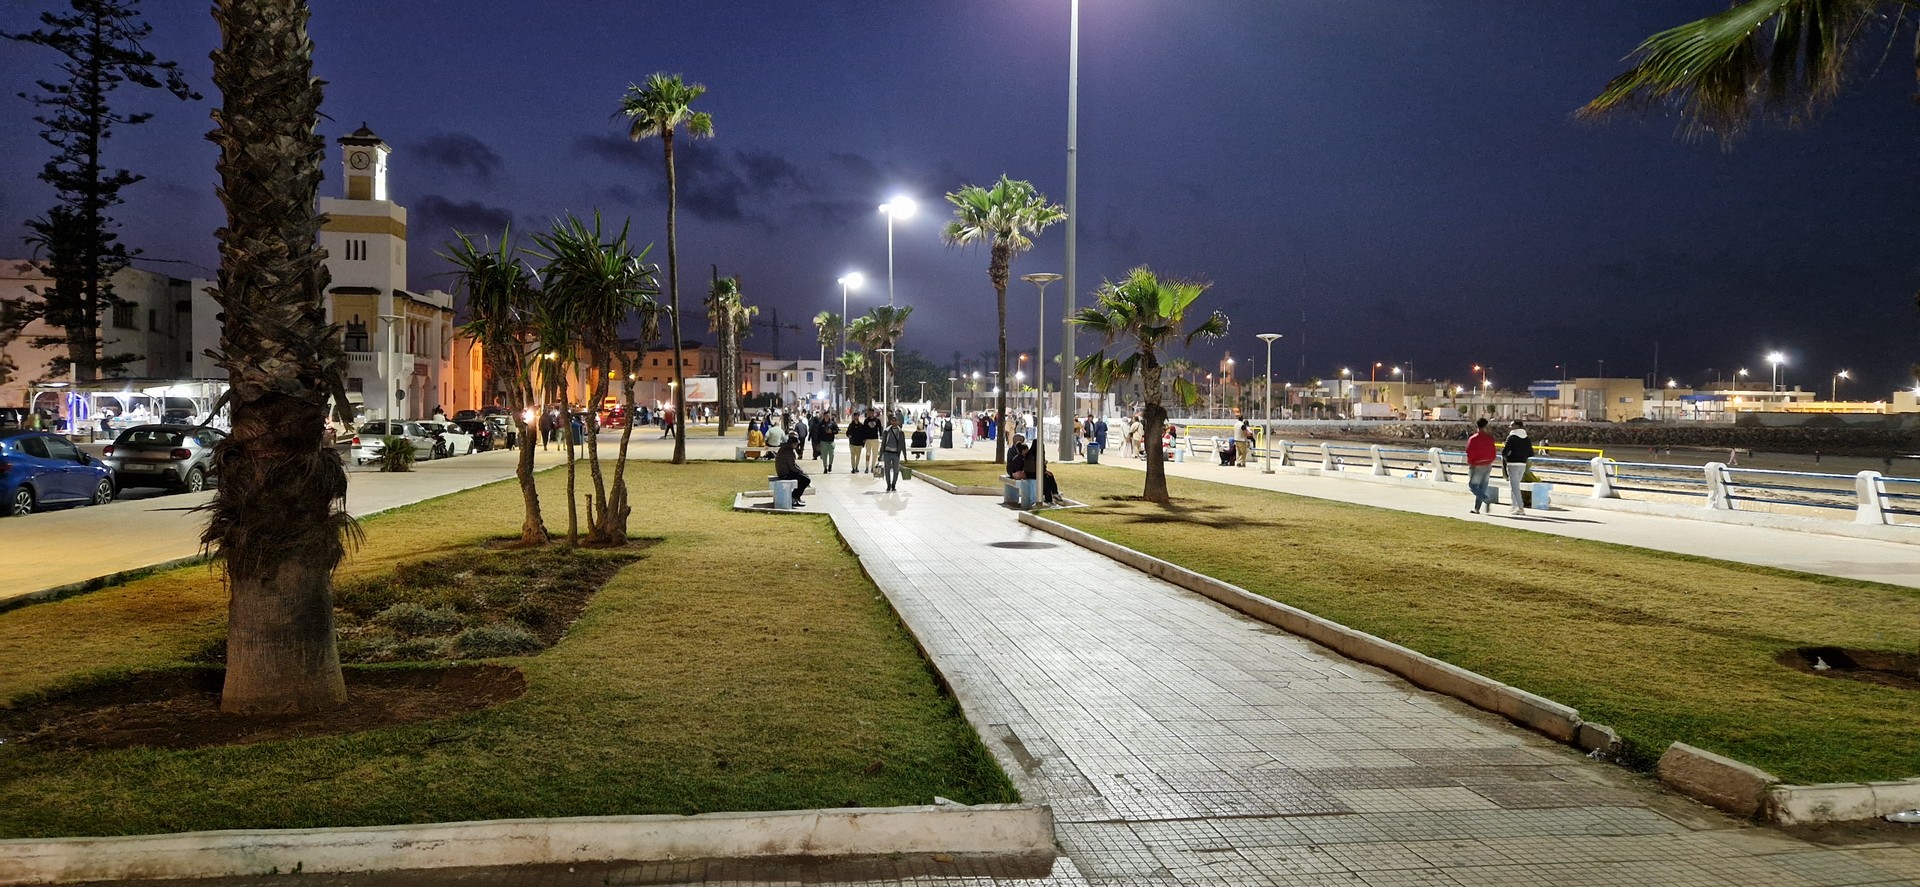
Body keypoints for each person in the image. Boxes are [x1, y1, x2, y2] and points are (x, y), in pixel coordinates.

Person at [1005, 434, 1062, 505]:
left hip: (1029, 473)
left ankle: (1053, 494)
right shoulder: (1024, 456)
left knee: (1048, 476)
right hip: (1026, 474)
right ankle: (1050, 497)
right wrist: (1043, 470)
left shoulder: (1026, 455)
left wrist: (1044, 470)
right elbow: (1029, 468)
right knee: (1045, 479)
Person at [1501, 418, 1534, 516]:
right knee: (1515, 485)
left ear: (1516, 426)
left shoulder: (1511, 437)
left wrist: (1509, 453)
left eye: (1511, 425)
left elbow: (1504, 452)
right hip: (1523, 464)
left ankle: (1520, 508)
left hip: (1512, 464)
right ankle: (1515, 506)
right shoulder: (1526, 438)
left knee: (1514, 487)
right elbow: (1531, 453)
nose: (1510, 427)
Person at [1465, 417, 1498, 514]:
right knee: (1482, 487)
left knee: (1473, 485)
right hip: (1487, 464)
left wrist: (1471, 463)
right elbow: (1493, 452)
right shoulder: (1490, 438)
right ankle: (1477, 508)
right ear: (1486, 426)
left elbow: (1469, 452)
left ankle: (1485, 499)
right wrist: (1490, 460)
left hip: (1477, 465)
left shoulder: (1473, 439)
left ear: (1477, 426)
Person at [774, 433, 811, 507]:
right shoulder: (788, 451)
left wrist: (801, 471)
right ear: (794, 443)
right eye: (797, 444)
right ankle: (794, 497)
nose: (797, 446)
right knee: (806, 480)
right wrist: (802, 472)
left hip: (784, 472)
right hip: (784, 474)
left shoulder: (786, 448)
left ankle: (796, 497)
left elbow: (793, 464)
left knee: (803, 477)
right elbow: (792, 467)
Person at [879, 414, 908, 491]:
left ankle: (893, 484)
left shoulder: (900, 432)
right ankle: (888, 485)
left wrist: (905, 456)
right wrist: (880, 454)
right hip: (887, 453)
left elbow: (903, 444)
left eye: (895, 420)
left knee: (896, 471)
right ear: (890, 421)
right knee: (887, 470)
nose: (894, 422)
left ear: (898, 421)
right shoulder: (887, 431)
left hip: (896, 454)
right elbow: (883, 443)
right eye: (892, 420)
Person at [860, 409, 883, 475]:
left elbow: (880, 428)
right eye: (869, 412)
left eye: (871, 412)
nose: (870, 414)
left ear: (873, 413)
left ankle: (873, 467)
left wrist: (881, 435)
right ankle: (867, 467)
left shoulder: (877, 420)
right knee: (868, 453)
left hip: (875, 439)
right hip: (868, 439)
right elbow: (864, 430)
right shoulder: (866, 420)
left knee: (875, 454)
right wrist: (864, 438)